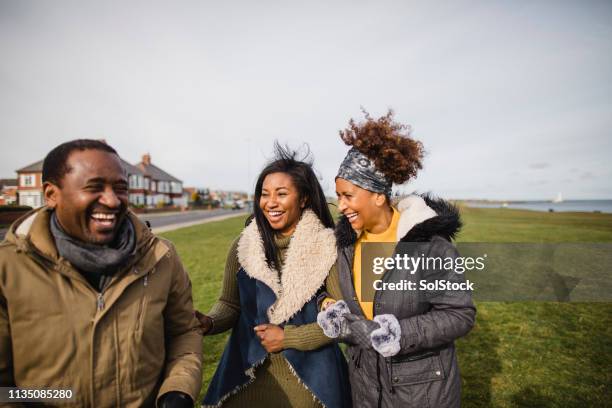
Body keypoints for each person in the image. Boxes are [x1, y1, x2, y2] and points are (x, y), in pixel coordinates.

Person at [0, 140, 202, 407]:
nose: (112, 200)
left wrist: (178, 390)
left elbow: (184, 332)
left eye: (120, 188)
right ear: (51, 194)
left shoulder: (161, 256)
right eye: (94, 188)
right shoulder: (8, 267)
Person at [317, 110, 476, 407]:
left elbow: (459, 315)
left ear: (378, 195)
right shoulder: (348, 246)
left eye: (348, 196)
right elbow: (353, 305)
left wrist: (397, 333)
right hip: (365, 390)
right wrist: (332, 309)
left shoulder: (429, 245)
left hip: (420, 395)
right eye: (338, 196)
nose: (341, 206)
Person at [198, 145, 351, 408]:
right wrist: (209, 322)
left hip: (311, 382)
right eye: (265, 194)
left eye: (281, 194)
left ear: (303, 198)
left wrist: (288, 338)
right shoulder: (243, 246)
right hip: (245, 376)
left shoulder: (327, 247)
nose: (271, 203)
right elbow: (230, 304)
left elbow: (343, 318)